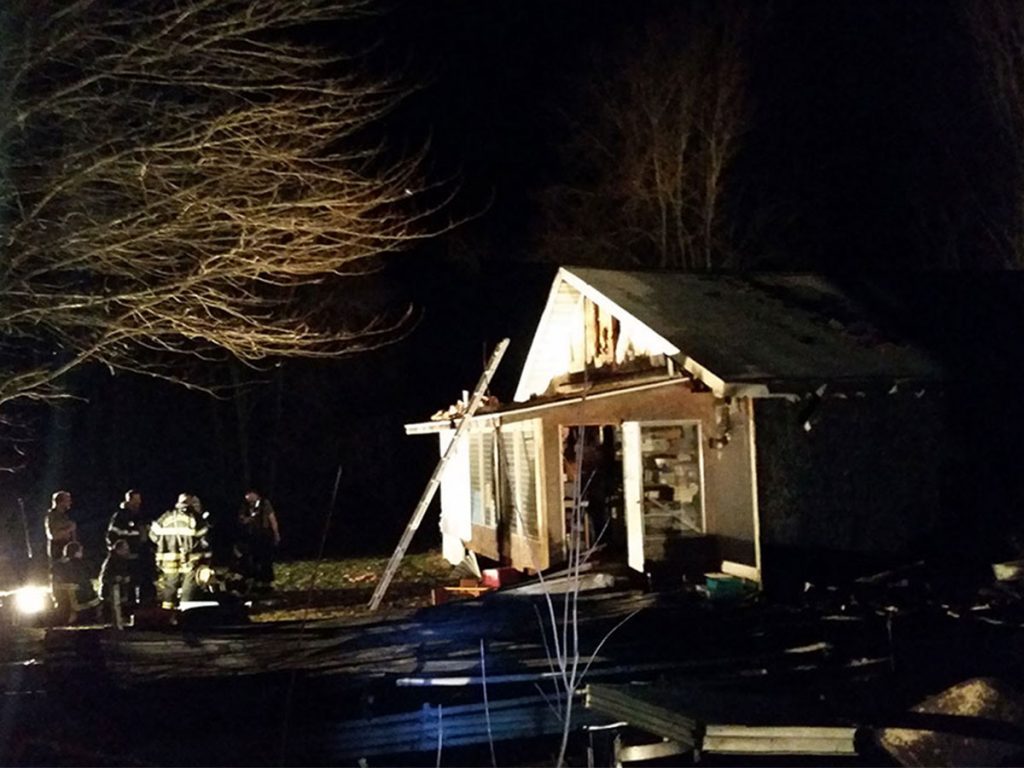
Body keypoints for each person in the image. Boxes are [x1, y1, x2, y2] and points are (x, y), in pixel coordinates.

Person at [149, 493, 209, 609]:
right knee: (188, 591)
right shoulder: (195, 519)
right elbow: (205, 542)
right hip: (190, 562)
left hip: (168, 562)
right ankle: (186, 617)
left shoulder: (166, 517)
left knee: (169, 590)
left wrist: (164, 545)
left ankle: (167, 618)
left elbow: (153, 535)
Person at [106, 489, 157, 606]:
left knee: (144, 581)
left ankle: (145, 605)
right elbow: (111, 536)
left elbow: (147, 534)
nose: (138, 503)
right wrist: (119, 553)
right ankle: (129, 606)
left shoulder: (141, 515)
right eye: (135, 500)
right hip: (127, 557)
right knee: (129, 584)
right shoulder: (120, 516)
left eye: (139, 500)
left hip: (142, 555)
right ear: (128, 500)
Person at [238, 490, 280, 593]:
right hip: (252, 535)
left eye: (251, 497)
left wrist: (276, 533)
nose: (250, 500)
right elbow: (241, 519)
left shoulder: (265, 503)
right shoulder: (245, 505)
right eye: (248, 498)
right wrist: (248, 519)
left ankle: (268, 582)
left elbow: (272, 518)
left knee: (266, 559)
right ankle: (255, 582)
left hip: (264, 535)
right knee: (254, 559)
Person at [51, 540, 101, 625]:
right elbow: (81, 580)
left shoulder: (59, 565)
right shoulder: (74, 564)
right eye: (80, 551)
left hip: (70, 593)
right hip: (75, 594)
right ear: (76, 552)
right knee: (95, 600)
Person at [99, 538, 136, 627]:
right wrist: (116, 578)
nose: (127, 551)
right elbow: (104, 577)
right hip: (111, 591)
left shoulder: (124, 560)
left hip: (123, 590)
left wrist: (128, 578)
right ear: (119, 550)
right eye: (125, 549)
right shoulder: (111, 561)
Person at [44, 490, 77, 572]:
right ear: (61, 502)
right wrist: (69, 529)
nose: (70, 503)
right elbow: (53, 535)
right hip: (57, 551)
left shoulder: (64, 516)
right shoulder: (52, 516)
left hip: (66, 550)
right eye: (67, 500)